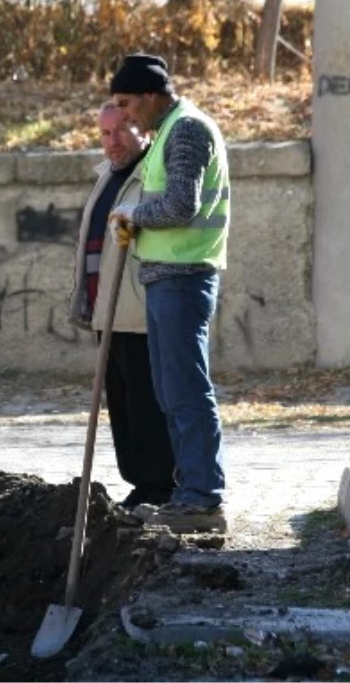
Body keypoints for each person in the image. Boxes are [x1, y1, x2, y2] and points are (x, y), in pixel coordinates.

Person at [106, 53, 229, 535]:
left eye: (128, 103)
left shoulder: (187, 130)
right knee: (169, 390)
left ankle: (202, 499)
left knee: (185, 390)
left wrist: (133, 214)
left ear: (152, 96)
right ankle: (187, 494)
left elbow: (181, 203)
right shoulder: (166, 133)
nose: (125, 114)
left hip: (183, 276)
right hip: (165, 276)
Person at [70, 103, 177, 510]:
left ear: (141, 128)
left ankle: (161, 487)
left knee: (146, 404)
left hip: (137, 307)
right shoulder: (107, 177)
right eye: (104, 134)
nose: (112, 142)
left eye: (121, 131)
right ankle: (140, 484)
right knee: (122, 404)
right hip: (107, 310)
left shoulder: (150, 174)